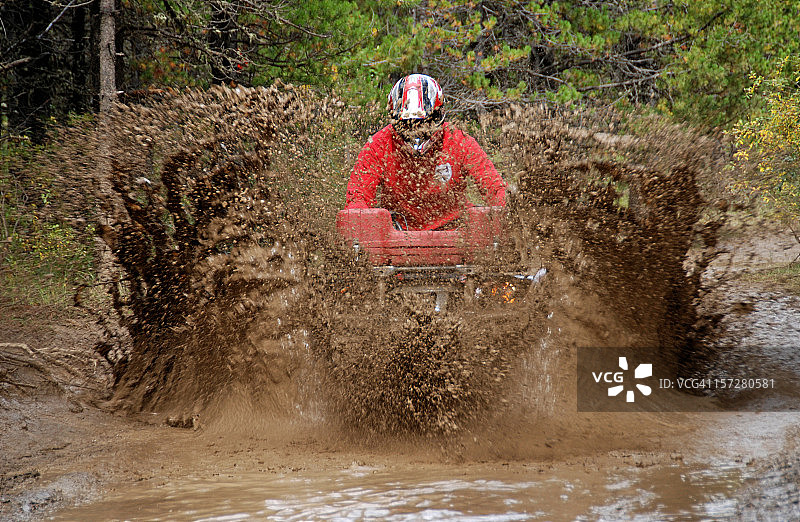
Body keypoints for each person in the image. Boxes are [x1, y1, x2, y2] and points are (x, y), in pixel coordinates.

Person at [344, 74, 507, 231]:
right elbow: (358, 197)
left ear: (438, 114)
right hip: (399, 235)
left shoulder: (459, 141)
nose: (417, 130)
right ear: (395, 119)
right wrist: (358, 223)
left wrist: (509, 210)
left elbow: (493, 187)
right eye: (407, 124)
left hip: (455, 234)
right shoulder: (379, 144)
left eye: (425, 121)